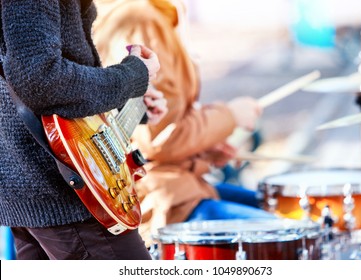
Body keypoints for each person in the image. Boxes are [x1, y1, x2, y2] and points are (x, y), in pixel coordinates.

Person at [93, 0, 276, 248]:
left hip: (181, 184)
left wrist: (204, 146)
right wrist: (230, 116)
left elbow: (152, 129)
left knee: (281, 212)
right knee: (281, 235)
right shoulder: (139, 18)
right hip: (161, 198)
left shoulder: (147, 13)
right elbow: (157, 140)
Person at [0, 0, 167, 260]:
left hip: (44, 183)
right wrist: (132, 76)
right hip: (66, 187)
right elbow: (41, 80)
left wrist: (128, 100)